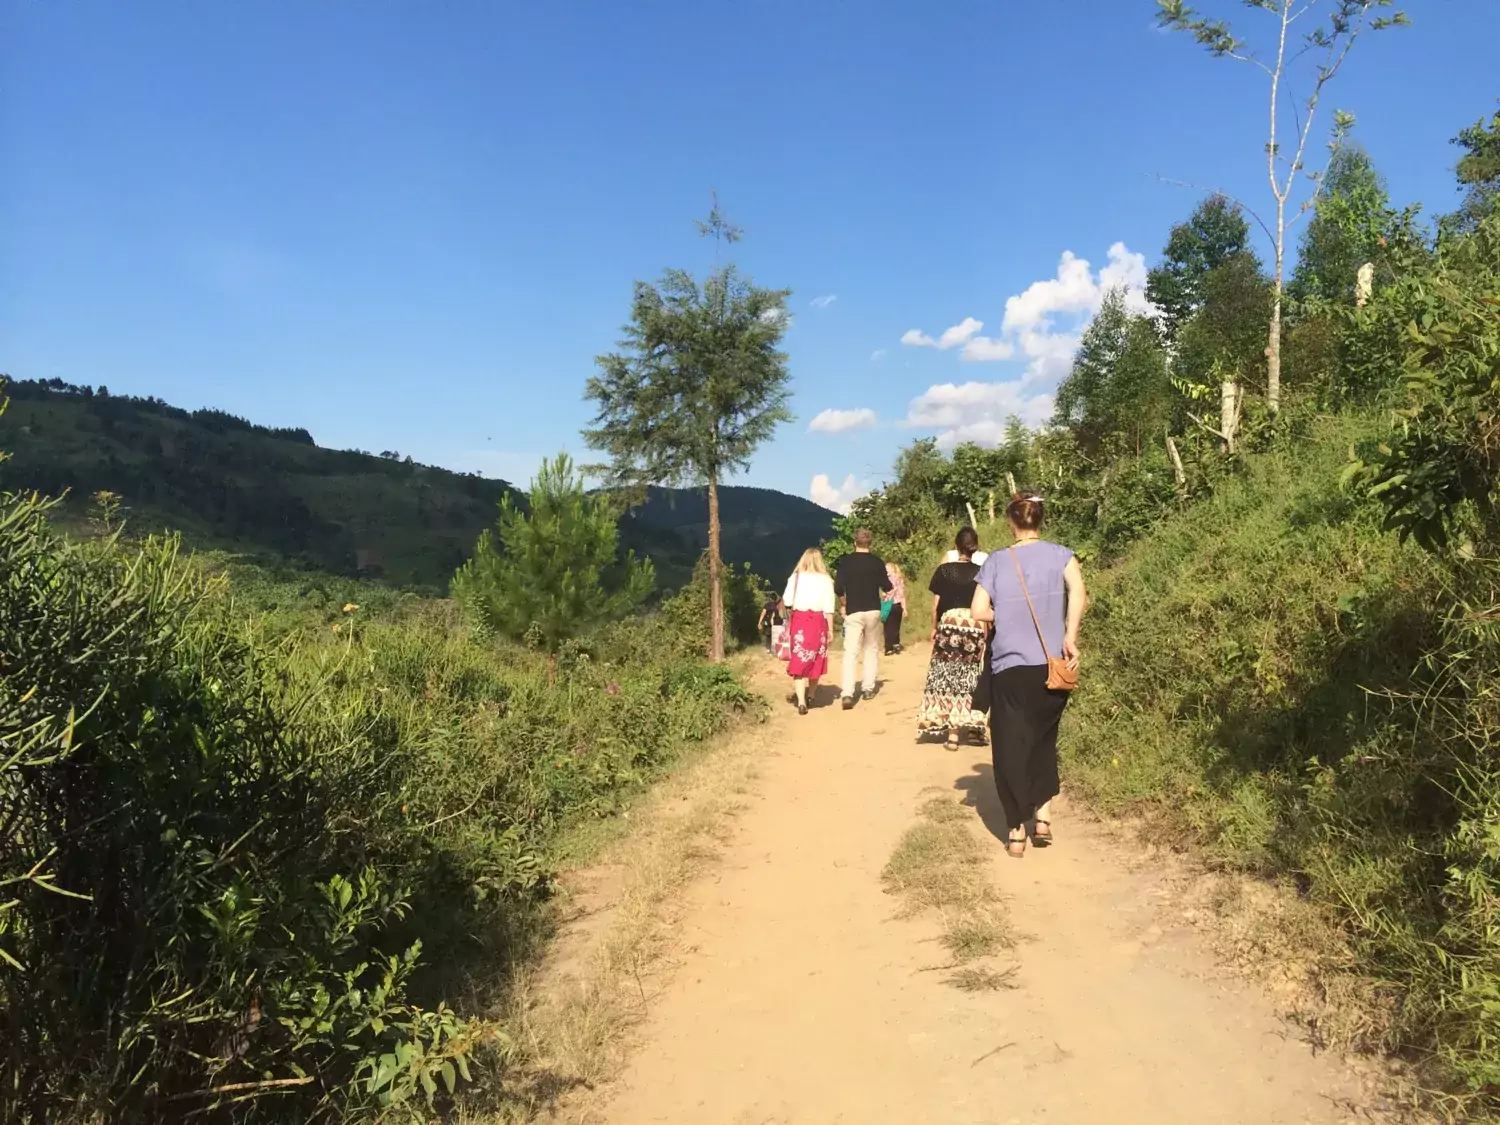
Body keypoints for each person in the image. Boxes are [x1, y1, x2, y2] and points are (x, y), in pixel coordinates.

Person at [971, 495, 1087, 859]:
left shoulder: (997, 561)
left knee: (1009, 746)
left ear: (1011, 522)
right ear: (1040, 521)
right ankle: (1044, 817)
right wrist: (1069, 635)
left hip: (1009, 667)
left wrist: (1004, 612)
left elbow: (978, 610)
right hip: (1052, 666)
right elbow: (1079, 592)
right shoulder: (1062, 555)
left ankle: (1016, 828)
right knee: (1042, 739)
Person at [917, 527, 989, 751]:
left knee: (946, 675)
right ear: (975, 547)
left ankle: (952, 735)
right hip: (974, 624)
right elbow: (986, 604)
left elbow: (936, 605)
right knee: (972, 675)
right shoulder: (982, 572)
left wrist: (934, 627)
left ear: (956, 546)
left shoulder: (944, 570)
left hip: (949, 624)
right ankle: (975, 725)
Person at [834, 529, 891, 709]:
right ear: (870, 543)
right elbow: (887, 586)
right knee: (871, 650)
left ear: (854, 543)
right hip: (873, 609)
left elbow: (838, 588)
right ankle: (868, 688)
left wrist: (844, 602)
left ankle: (848, 693)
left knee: (851, 652)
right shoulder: (877, 562)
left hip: (854, 610)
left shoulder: (846, 562)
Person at [782, 548, 836, 715]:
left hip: (800, 621)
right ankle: (811, 694)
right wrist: (831, 629)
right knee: (816, 658)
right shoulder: (826, 580)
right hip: (818, 622)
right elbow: (829, 607)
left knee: (799, 659)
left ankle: (801, 701)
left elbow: (787, 600)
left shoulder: (795, 577)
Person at [882, 562, 907, 656]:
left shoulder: (888, 579)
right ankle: (896, 646)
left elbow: (885, 593)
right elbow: (902, 595)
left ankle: (888, 647)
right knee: (896, 627)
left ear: (891, 569)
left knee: (888, 627)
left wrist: (884, 595)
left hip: (889, 604)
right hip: (898, 605)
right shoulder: (900, 579)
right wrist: (904, 608)